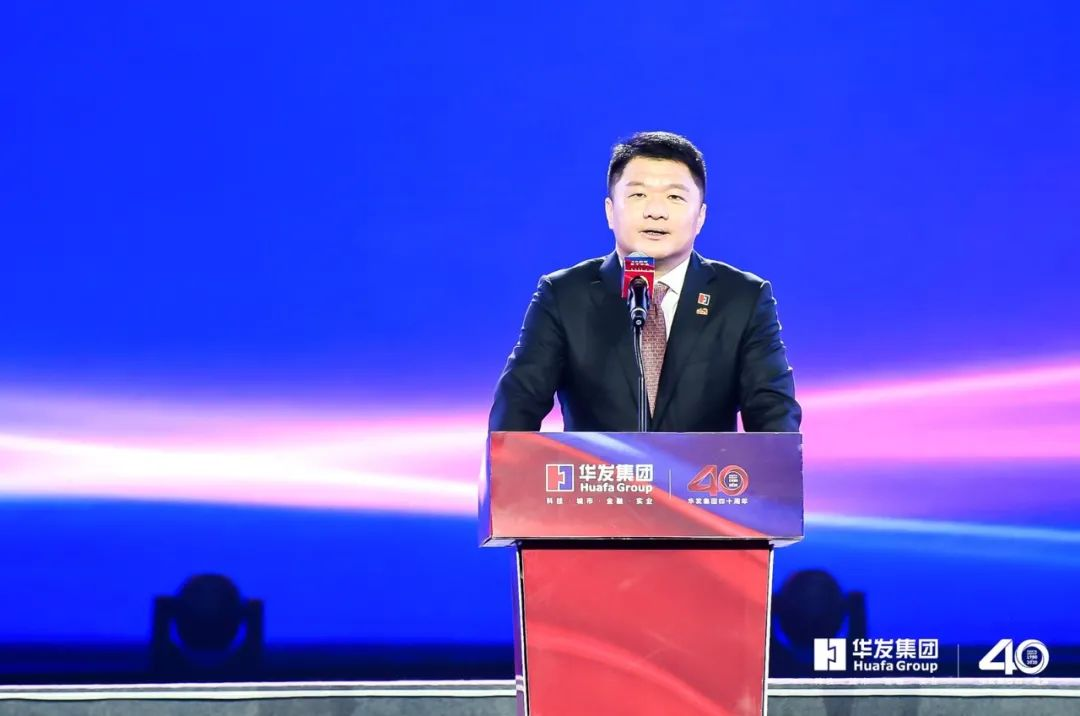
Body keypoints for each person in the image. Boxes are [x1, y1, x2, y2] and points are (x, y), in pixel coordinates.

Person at [489, 131, 801, 433]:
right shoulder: (564, 295)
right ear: (610, 211)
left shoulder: (743, 298)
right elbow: (517, 407)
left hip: (704, 472)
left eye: (675, 197)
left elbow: (774, 416)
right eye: (638, 195)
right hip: (600, 471)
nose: (655, 211)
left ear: (700, 217)